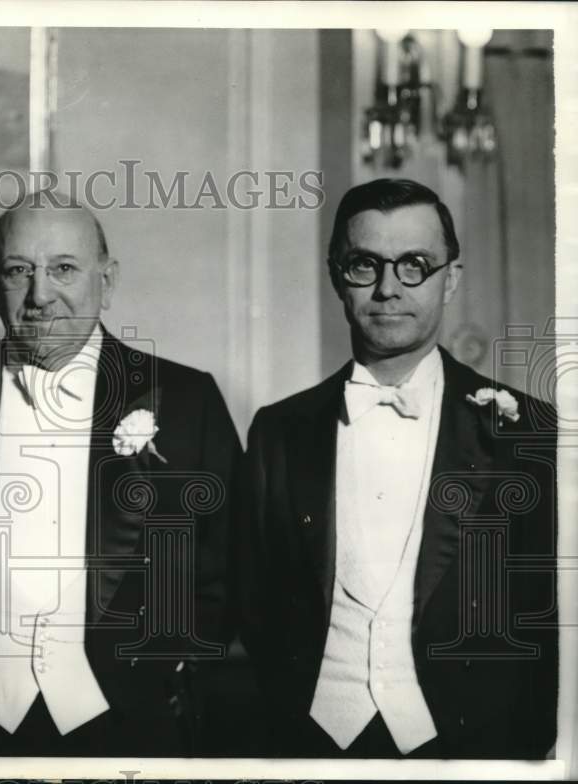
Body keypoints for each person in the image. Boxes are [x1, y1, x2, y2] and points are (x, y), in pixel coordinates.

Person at [0, 193, 242, 756]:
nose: (39, 294)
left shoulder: (186, 400)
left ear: (107, 280)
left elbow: (228, 564)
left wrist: (160, 669)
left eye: (63, 269)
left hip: (129, 724)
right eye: (18, 271)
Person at [238, 178, 558, 759]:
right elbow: (255, 608)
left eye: (414, 264)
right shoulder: (277, 432)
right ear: (337, 276)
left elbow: (548, 619)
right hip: (309, 746)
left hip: (473, 750)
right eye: (365, 264)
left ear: (451, 279)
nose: (388, 288)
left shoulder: (528, 432)